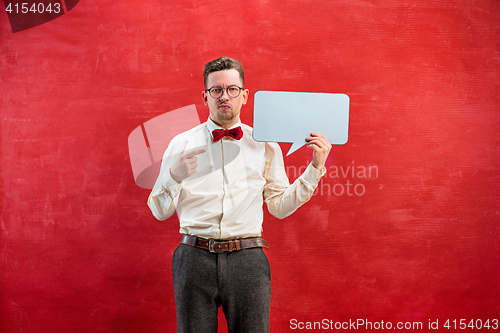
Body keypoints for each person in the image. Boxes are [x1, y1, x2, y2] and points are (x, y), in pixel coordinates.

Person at [148, 56, 331, 333]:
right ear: (205, 96)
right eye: (216, 90)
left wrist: (315, 169)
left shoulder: (265, 144)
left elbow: (278, 206)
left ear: (244, 96)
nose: (225, 96)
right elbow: (160, 211)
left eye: (232, 89)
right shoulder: (181, 144)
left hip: (248, 259)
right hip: (193, 258)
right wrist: (174, 176)